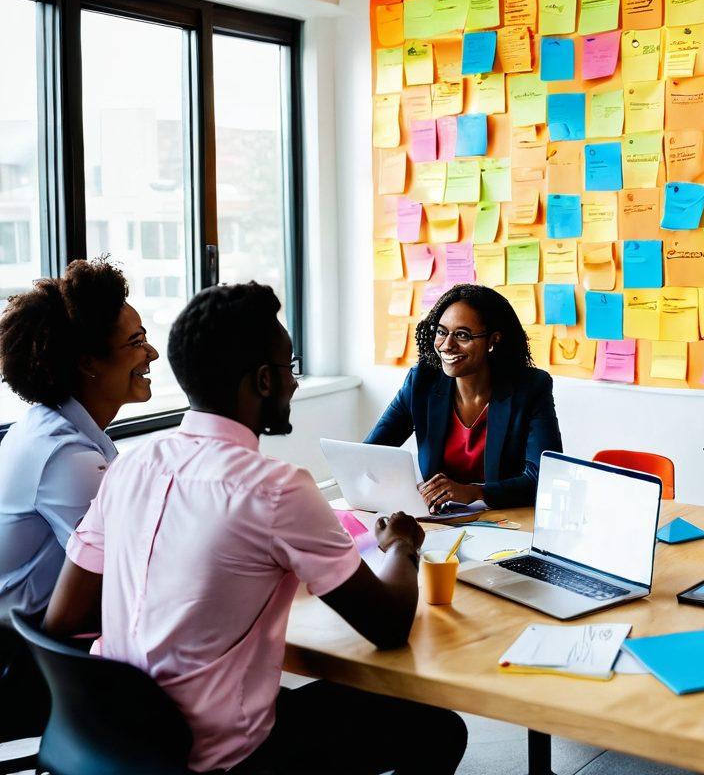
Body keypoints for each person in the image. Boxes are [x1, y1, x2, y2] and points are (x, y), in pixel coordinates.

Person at [43, 283, 466, 775]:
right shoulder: (276, 489)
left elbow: (63, 617)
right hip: (217, 757)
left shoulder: (130, 466)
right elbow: (388, 626)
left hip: (112, 738)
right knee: (437, 727)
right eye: (289, 368)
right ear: (264, 380)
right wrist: (400, 546)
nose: (294, 383)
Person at [0, 258, 157, 619]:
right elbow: (128, 570)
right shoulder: (66, 456)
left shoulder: (49, 426)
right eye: (136, 342)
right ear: (88, 364)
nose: (152, 353)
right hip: (25, 643)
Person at [367, 283, 562, 512]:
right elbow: (370, 454)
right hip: (440, 519)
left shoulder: (530, 388)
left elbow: (545, 475)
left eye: (462, 335)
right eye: (441, 332)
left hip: (507, 519)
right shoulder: (422, 382)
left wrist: (475, 492)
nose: (447, 345)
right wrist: (403, 489)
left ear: (493, 341)